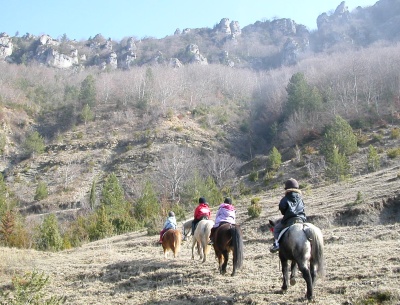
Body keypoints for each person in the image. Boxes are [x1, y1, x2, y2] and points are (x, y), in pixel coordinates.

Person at [270, 178, 306, 253]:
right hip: (301, 219)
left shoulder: (285, 198)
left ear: (287, 188)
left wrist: (285, 212)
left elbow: (282, 207)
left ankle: (276, 245)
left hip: (289, 220)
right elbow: (303, 208)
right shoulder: (300, 198)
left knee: (276, 229)